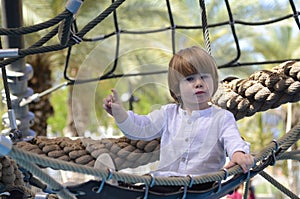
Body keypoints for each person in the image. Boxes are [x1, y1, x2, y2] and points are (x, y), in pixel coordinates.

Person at [103, 46, 254, 192]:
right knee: (146, 188)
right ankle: (118, 187)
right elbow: (141, 127)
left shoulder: (221, 117)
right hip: (166, 184)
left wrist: (238, 153)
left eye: (204, 77)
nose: (199, 83)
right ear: (176, 89)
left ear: (214, 82)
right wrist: (119, 113)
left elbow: (233, 139)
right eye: (190, 79)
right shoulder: (169, 114)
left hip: (202, 185)